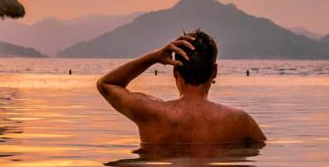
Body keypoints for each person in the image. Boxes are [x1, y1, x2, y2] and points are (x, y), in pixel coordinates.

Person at [96, 29, 265, 148]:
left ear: (175, 71)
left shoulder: (150, 112)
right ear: (214, 72)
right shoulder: (240, 122)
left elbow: (107, 84)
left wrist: (154, 57)